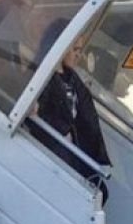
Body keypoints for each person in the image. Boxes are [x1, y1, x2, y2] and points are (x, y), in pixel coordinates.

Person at [27, 18, 112, 205]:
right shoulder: (41, 77)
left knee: (99, 192)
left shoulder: (71, 78)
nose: (78, 54)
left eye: (80, 50)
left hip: (76, 150)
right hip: (58, 151)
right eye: (75, 49)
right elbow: (37, 116)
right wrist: (62, 131)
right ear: (61, 47)